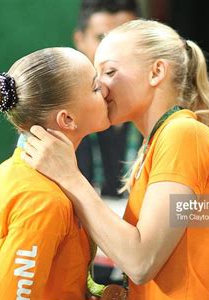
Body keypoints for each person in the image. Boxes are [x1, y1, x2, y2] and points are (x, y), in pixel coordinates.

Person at [21, 20, 209, 300]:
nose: (102, 88)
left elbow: (141, 262)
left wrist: (69, 177)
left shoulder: (184, 135)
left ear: (156, 72)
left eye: (110, 72)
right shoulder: (161, 140)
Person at [0, 47, 122, 300]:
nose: (104, 90)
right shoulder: (41, 199)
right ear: (67, 119)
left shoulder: (16, 170)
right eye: (94, 87)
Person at [73, 0, 141, 197]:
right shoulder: (55, 113)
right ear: (80, 40)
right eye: (101, 37)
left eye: (125, 39)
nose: (113, 50)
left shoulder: (162, 110)